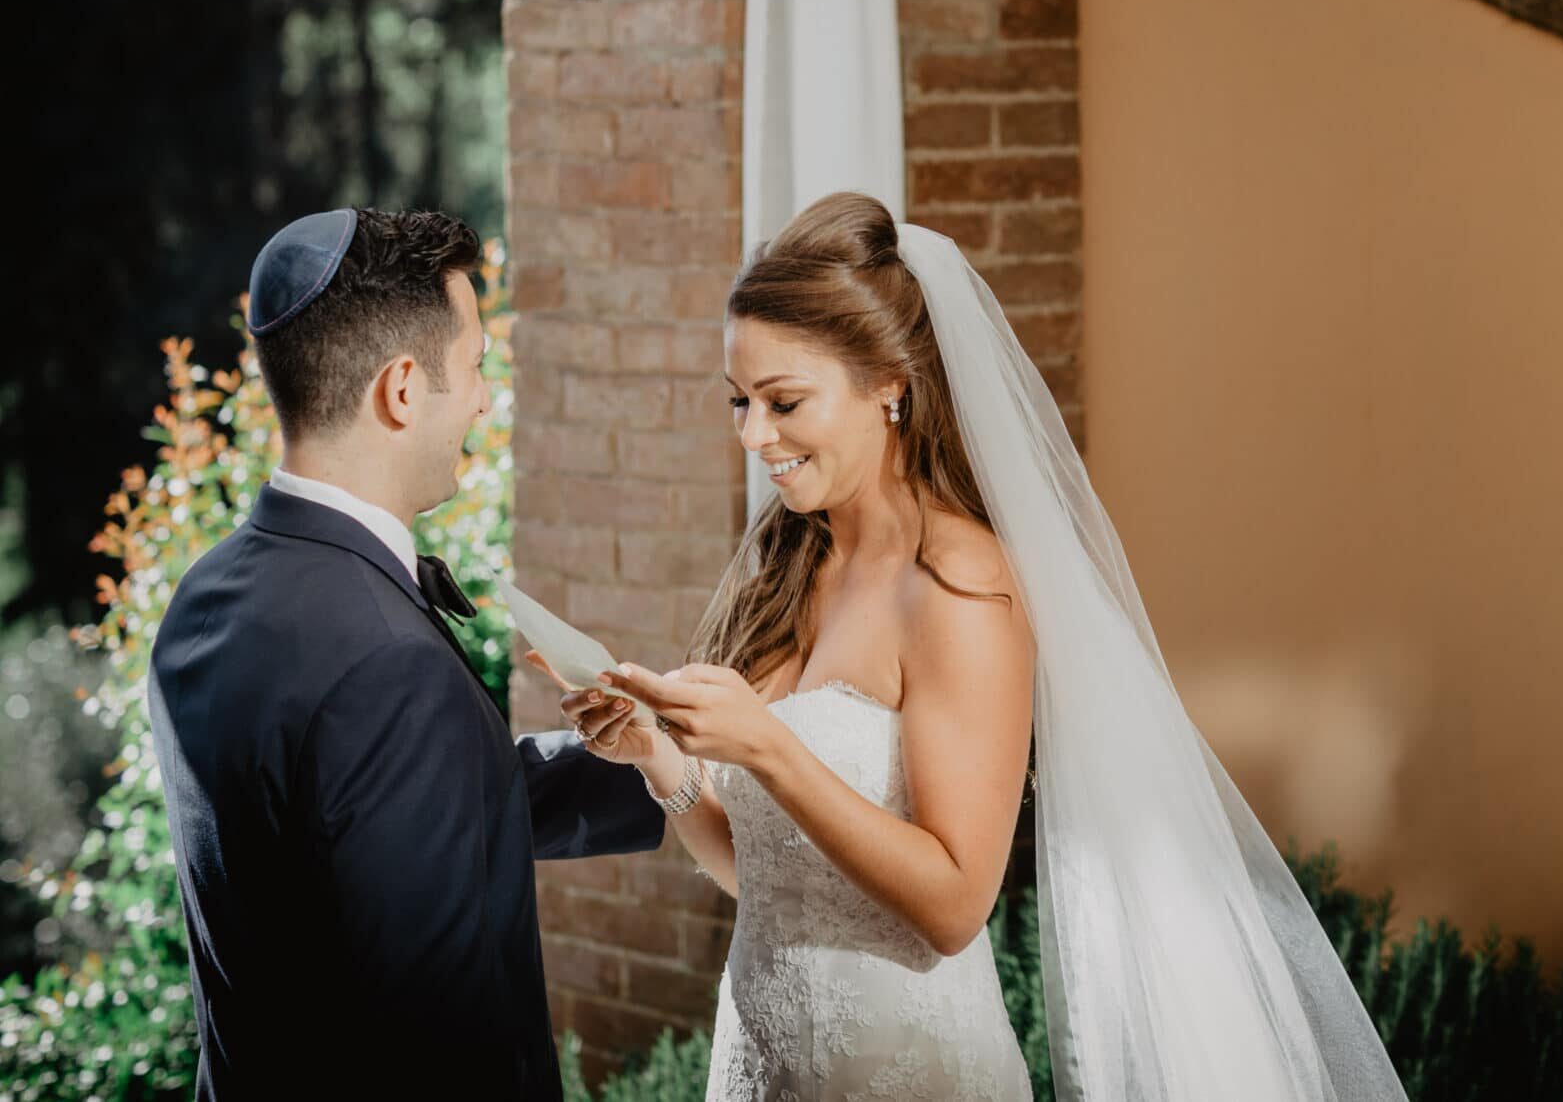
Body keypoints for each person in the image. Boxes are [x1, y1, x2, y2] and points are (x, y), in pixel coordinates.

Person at [561, 193, 1409, 1102]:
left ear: (889, 382)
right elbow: (762, 872)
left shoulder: (962, 584)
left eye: (784, 401)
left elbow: (956, 904)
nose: (753, 435)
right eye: (739, 400)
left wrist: (766, 743)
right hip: (759, 1064)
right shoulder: (784, 559)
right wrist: (657, 756)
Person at [149, 208, 665, 1100]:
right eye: (473, 369)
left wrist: (660, 759)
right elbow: (445, 1046)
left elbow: (349, 811)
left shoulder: (207, 596)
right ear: (398, 389)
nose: (481, 398)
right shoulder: (390, 664)